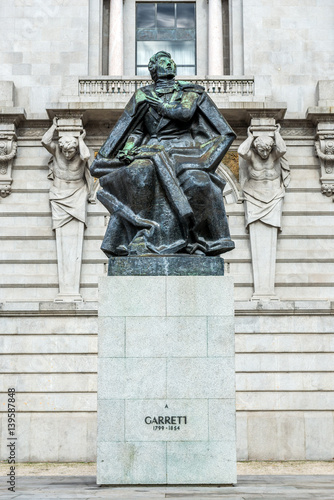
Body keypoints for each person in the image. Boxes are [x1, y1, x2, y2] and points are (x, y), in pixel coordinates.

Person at [91, 51, 236, 257]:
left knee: (198, 182)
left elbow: (185, 114)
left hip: (186, 151)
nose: (169, 64)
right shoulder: (142, 95)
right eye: (162, 62)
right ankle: (145, 230)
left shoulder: (190, 92)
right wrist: (128, 148)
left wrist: (160, 105)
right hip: (152, 147)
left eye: (171, 61)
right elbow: (137, 130)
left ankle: (193, 240)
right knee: (139, 171)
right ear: (153, 69)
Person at [42, 118, 93, 230]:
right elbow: (45, 141)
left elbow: (86, 156)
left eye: (70, 151)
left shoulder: (80, 156)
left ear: (76, 149)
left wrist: (80, 140)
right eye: (64, 151)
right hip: (58, 194)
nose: (67, 154)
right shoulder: (56, 151)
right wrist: (54, 126)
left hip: (78, 194)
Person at [238, 124, 290, 230]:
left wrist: (277, 134)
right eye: (262, 150)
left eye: (268, 150)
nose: (265, 154)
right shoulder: (252, 156)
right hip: (252, 196)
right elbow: (241, 151)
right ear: (256, 149)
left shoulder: (273, 155)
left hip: (274, 195)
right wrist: (250, 138)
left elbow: (283, 149)